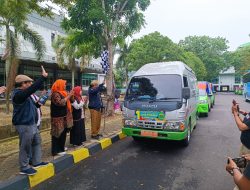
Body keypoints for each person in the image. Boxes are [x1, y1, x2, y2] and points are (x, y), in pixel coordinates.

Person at [12, 66, 48, 176]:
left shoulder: (26, 95)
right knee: (25, 146)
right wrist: (42, 78)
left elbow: (35, 106)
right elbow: (31, 89)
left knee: (37, 142)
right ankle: (24, 167)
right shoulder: (18, 94)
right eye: (28, 82)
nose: (30, 84)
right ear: (22, 84)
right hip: (24, 124)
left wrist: (41, 101)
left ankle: (37, 162)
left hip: (32, 123)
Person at [50, 79, 74, 156]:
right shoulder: (55, 94)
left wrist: (70, 95)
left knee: (63, 133)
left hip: (64, 117)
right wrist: (69, 96)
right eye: (64, 84)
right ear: (59, 85)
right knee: (57, 134)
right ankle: (56, 150)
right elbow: (60, 103)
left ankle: (61, 147)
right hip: (57, 118)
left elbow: (70, 101)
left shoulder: (63, 93)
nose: (65, 85)